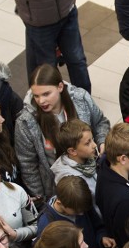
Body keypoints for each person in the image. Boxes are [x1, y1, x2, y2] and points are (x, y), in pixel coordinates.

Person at [14, 64, 110, 201]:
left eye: (46, 94)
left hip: (96, 172)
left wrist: (101, 142)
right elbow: (28, 165)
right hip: (60, 190)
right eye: (36, 96)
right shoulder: (26, 122)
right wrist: (42, 198)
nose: (41, 101)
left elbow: (100, 122)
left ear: (60, 87)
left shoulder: (80, 99)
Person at [0, 0, 91, 93]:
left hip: (67, 9)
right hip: (39, 21)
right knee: (46, 69)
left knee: (77, 60)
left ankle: (85, 101)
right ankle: (49, 107)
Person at [36, 176, 115, 248]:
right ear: (60, 203)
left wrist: (102, 237)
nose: (81, 214)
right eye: (77, 211)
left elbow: (98, 225)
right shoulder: (47, 223)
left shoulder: (80, 204)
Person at [49, 119, 98, 198]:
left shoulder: (87, 159)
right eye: (88, 143)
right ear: (72, 151)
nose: (95, 145)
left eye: (92, 139)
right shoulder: (71, 181)